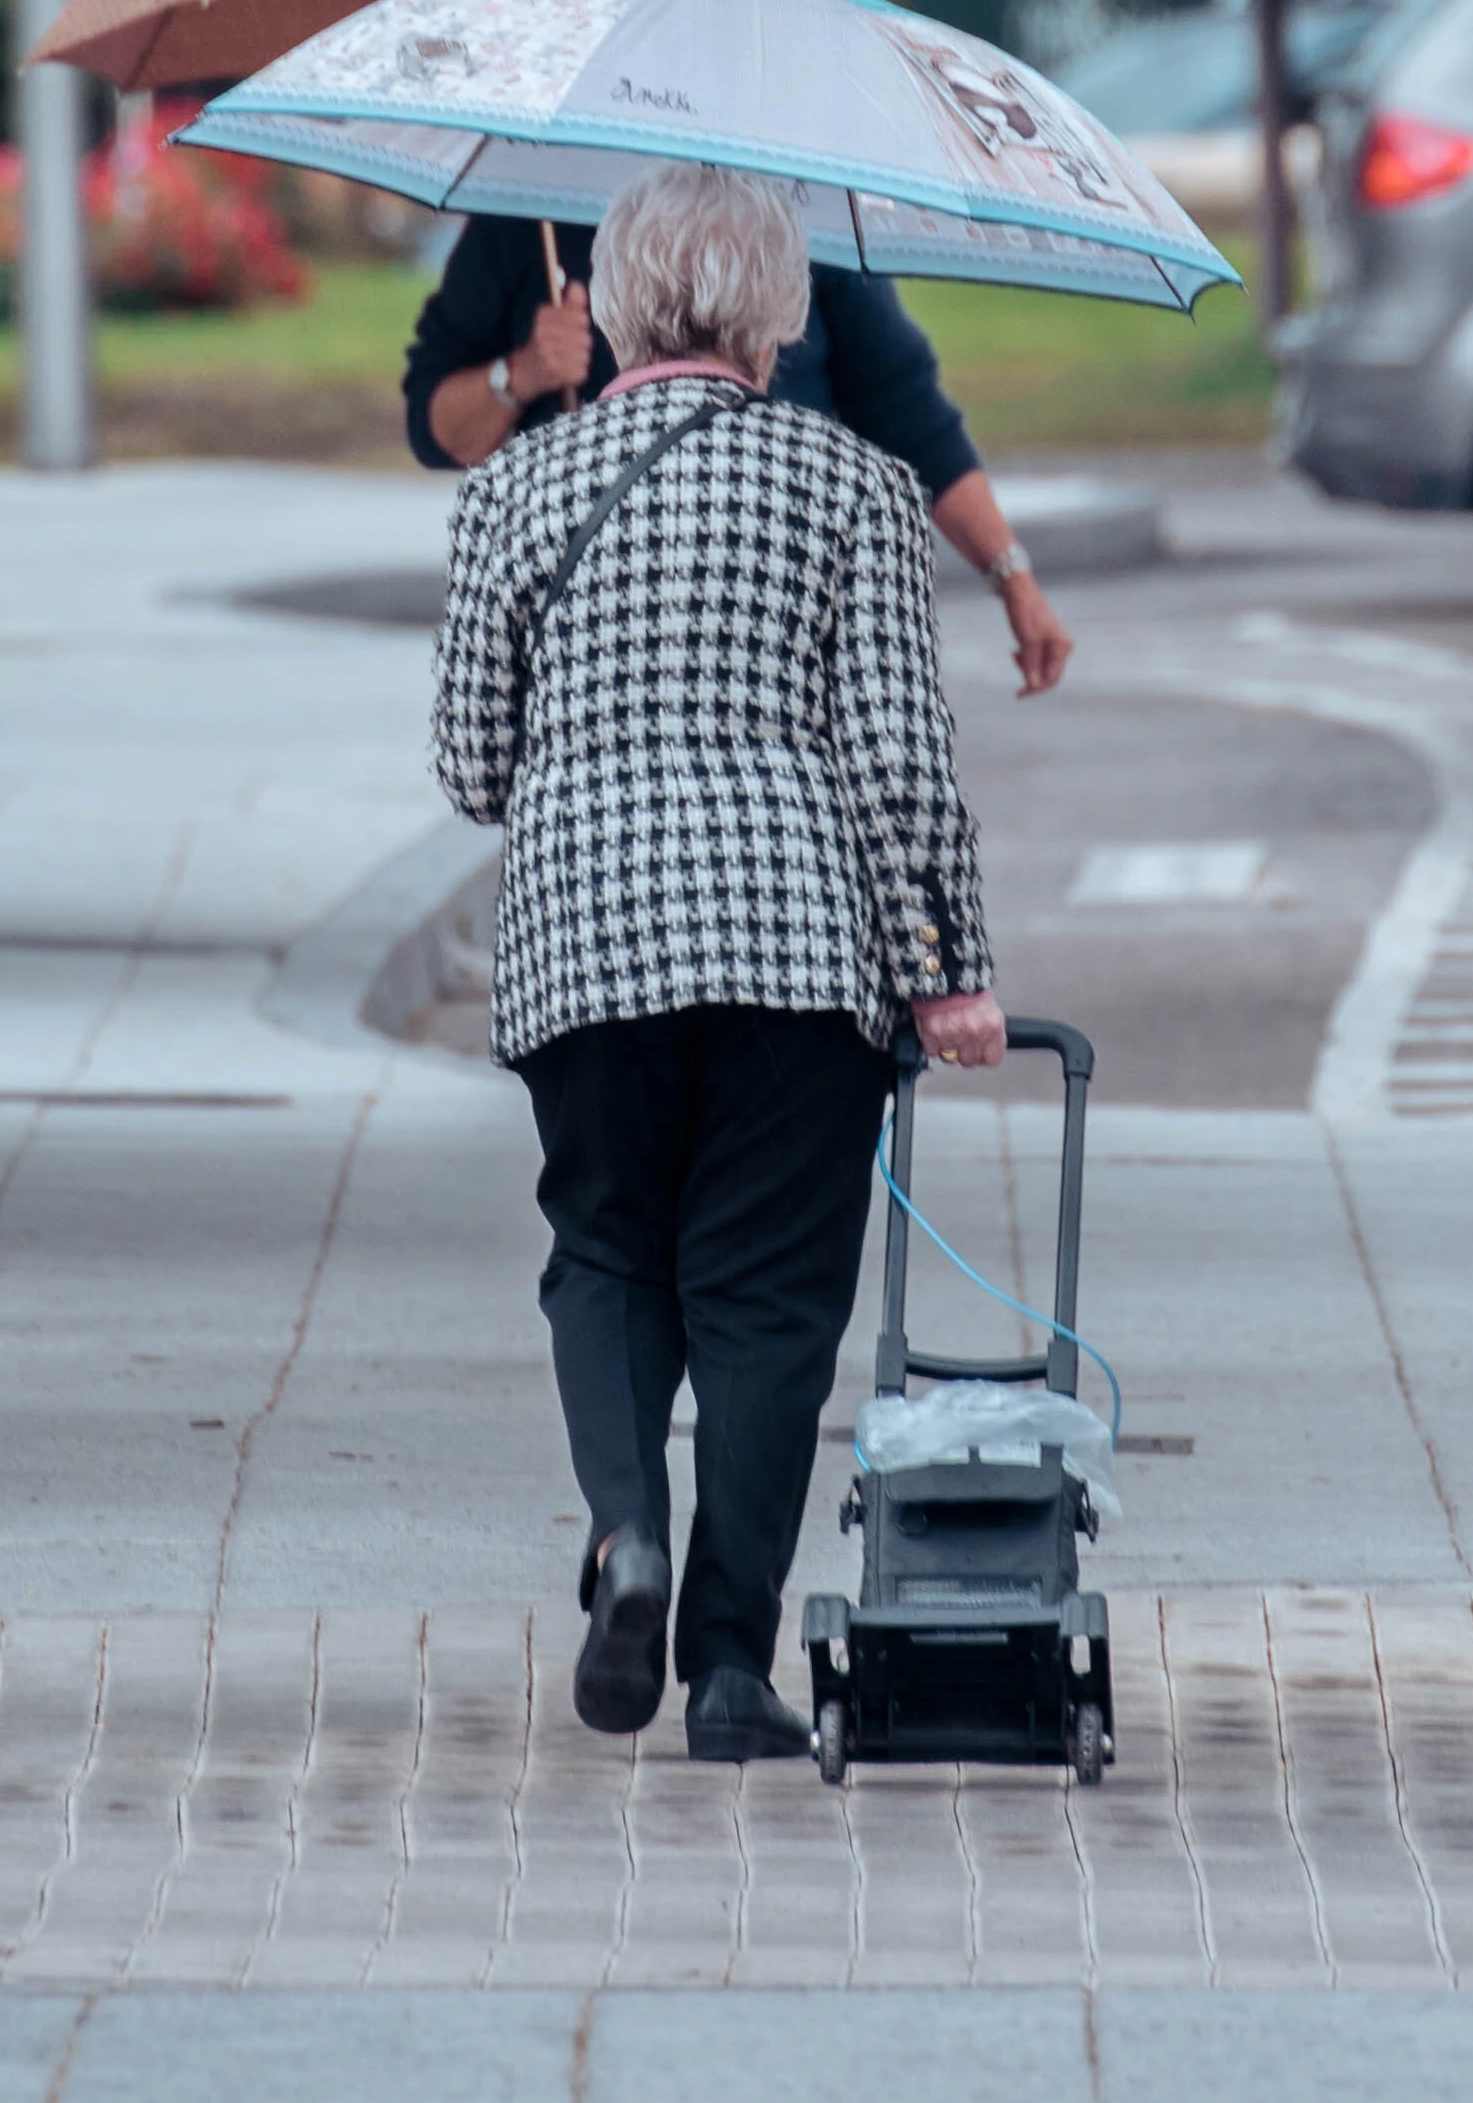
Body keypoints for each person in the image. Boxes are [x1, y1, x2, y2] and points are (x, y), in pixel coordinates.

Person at [429, 161, 1005, 1765]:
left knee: (606, 1250)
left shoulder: (517, 495)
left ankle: (627, 1536)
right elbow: (901, 759)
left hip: (584, 946)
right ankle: (734, 1670)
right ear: (777, 312)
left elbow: (475, 760)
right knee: (765, 1298)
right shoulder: (853, 488)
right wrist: (947, 967)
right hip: (796, 950)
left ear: (608, 308)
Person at [405, 213, 1079, 697]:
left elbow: (908, 413)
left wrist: (1011, 575)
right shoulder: (531, 218)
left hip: (779, 602)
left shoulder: (799, 214)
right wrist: (519, 372)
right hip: (592, 613)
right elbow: (434, 428)